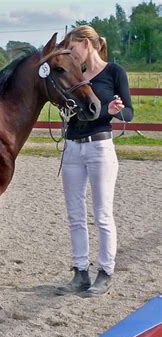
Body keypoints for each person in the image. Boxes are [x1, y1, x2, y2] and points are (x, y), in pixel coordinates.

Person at [56, 25, 133, 297]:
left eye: (72, 46)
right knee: (75, 215)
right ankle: (79, 272)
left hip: (100, 146)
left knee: (102, 214)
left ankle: (105, 271)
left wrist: (115, 110)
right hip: (73, 146)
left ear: (86, 44)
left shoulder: (114, 72)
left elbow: (130, 113)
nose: (69, 52)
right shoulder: (78, 75)